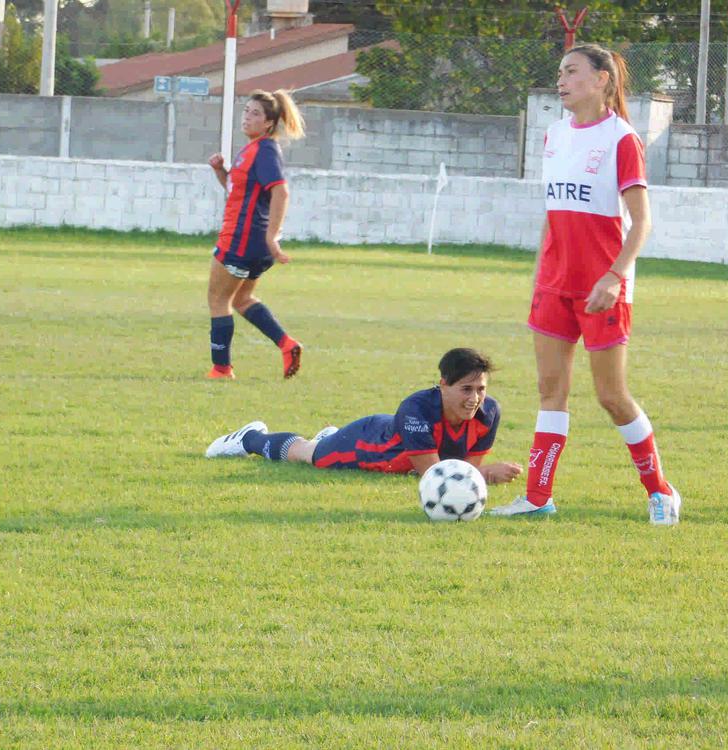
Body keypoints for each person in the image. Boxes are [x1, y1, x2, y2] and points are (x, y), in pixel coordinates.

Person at [489, 43, 681, 524]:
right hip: (554, 286)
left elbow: (642, 223)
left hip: (602, 290)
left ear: (602, 80)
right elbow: (552, 217)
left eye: (572, 71)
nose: (562, 79)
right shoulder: (554, 135)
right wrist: (538, 277)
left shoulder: (622, 139)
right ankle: (537, 498)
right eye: (559, 72)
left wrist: (615, 277)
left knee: (611, 397)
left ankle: (660, 491)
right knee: (549, 391)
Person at [205, 348, 523, 486]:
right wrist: (487, 474)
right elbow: (436, 476)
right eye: (466, 389)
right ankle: (249, 437)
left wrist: (480, 474)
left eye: (480, 389)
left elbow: (466, 469)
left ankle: (329, 435)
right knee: (306, 454)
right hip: (368, 443)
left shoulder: (488, 413)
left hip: (396, 447)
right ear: (443, 385)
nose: (475, 398)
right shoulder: (418, 410)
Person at [205, 89, 305, 381]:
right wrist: (220, 171)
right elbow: (238, 191)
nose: (247, 118)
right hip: (251, 243)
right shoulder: (252, 149)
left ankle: (221, 369)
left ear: (269, 123)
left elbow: (280, 191)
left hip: (241, 240)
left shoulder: (265, 151)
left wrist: (273, 236)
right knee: (242, 299)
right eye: (246, 111)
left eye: (256, 114)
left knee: (218, 300)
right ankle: (287, 344)